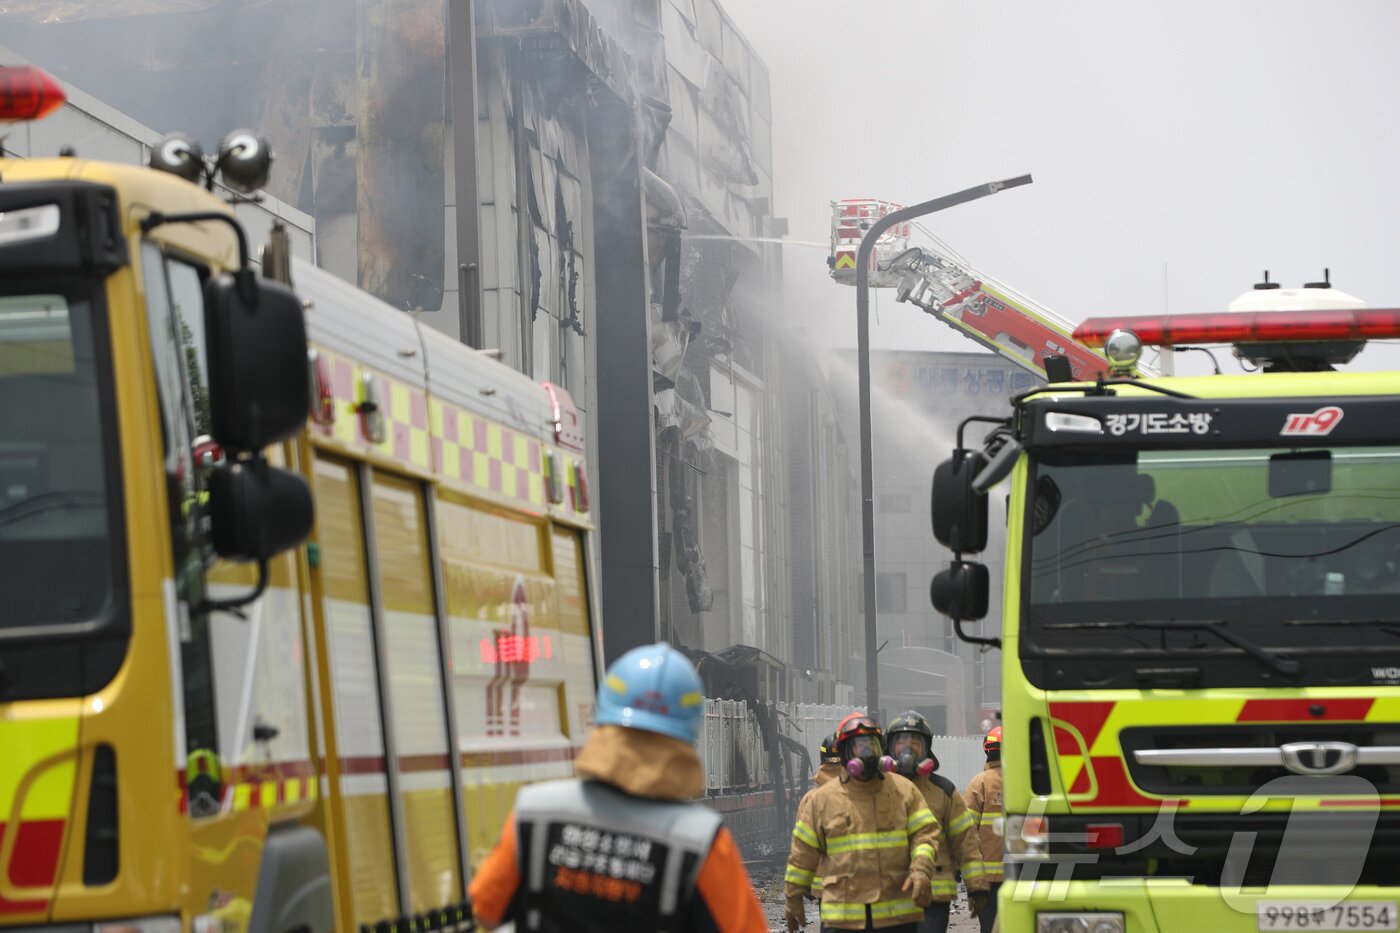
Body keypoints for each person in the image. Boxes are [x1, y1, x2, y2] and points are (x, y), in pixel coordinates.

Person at [469, 643, 768, 932]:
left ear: (603, 718)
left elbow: (486, 910)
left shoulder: (535, 812)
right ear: (689, 733)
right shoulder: (699, 841)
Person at [784, 714, 941, 932]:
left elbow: (925, 835)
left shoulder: (904, 791)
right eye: (859, 746)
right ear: (846, 752)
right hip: (842, 919)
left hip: (896, 919)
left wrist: (922, 870)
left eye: (872, 744)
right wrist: (793, 897)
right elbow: (802, 854)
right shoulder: (821, 800)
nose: (868, 752)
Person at [885, 712, 986, 933]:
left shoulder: (943, 791)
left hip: (934, 894)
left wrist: (976, 886)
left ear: (927, 748)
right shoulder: (877, 789)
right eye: (900, 742)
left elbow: (966, 842)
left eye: (915, 743)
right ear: (889, 748)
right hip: (889, 894)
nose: (907, 749)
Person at [963, 727, 1005, 933]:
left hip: (986, 877)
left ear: (987, 751)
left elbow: (966, 832)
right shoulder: (1026, 782)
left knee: (989, 927)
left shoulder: (979, 783)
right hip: (1021, 874)